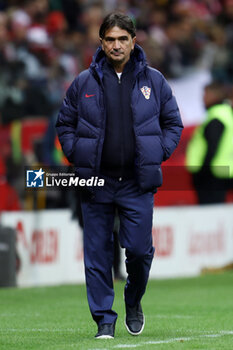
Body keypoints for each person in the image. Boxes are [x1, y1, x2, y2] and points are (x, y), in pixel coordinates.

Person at [56, 13, 183, 339]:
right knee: (97, 255)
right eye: (110, 39)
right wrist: (77, 154)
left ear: (133, 41)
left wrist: (158, 152)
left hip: (137, 183)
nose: (116, 45)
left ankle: (133, 300)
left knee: (139, 252)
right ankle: (104, 321)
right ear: (101, 42)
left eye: (122, 39)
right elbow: (64, 124)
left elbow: (173, 123)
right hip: (95, 182)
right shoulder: (83, 82)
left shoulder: (154, 81)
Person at [186, 82, 233, 204]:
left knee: (210, 214)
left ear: (214, 95)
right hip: (223, 171)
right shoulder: (226, 114)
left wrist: (203, 172)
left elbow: (212, 147)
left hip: (212, 175)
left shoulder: (216, 117)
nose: (203, 98)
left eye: (205, 94)